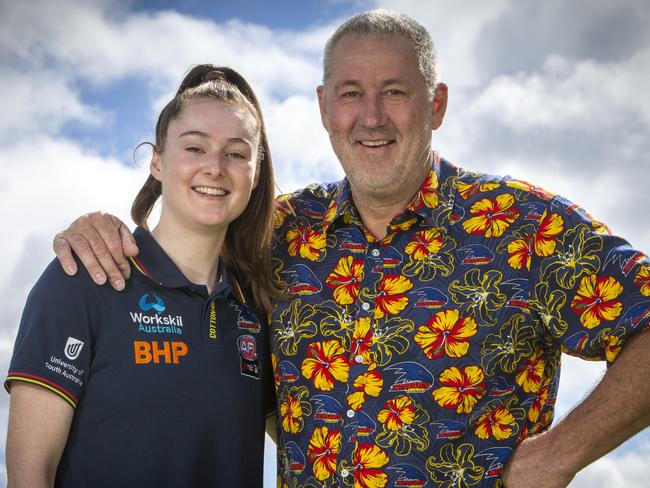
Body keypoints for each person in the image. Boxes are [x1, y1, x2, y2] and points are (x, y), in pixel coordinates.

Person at [49, 10, 650, 488]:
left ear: (435, 104)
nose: (371, 117)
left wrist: (557, 456)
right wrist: (98, 226)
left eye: (394, 91)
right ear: (322, 107)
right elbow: (189, 222)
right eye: (350, 93)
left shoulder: (523, 226)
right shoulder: (280, 233)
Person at [5, 64, 282, 487]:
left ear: (255, 172)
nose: (215, 167)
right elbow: (29, 473)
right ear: (156, 161)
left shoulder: (257, 309)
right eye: (194, 148)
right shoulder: (83, 278)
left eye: (236, 153)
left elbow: (313, 441)